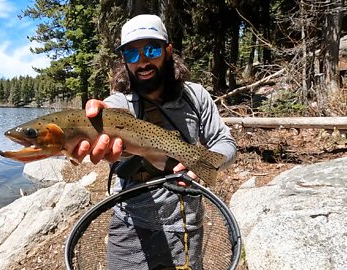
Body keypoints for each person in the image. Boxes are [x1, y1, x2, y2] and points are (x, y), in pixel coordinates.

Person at [71, 14, 237, 270]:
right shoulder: (120, 103)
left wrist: (208, 165)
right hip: (131, 227)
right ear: (124, 61)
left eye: (151, 49)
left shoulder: (195, 96)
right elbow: (106, 111)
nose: (143, 61)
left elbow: (224, 142)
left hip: (187, 225)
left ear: (168, 51)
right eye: (132, 54)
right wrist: (94, 123)